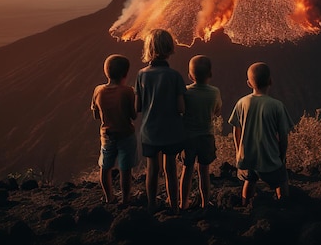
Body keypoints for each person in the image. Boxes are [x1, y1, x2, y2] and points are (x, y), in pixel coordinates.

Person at [228, 62, 295, 206]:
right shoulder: (277, 105)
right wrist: (282, 157)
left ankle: (245, 205)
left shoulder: (241, 103)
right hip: (269, 160)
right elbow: (283, 136)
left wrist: (239, 151)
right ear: (271, 81)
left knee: (249, 181)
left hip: (247, 159)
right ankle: (283, 206)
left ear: (248, 83)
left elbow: (236, 130)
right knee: (282, 181)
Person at [134, 29, 186, 213]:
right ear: (170, 48)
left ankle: (151, 205)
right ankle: (174, 207)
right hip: (171, 130)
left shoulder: (141, 75)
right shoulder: (175, 77)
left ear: (148, 48)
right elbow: (181, 108)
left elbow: (138, 106)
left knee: (152, 169)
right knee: (170, 169)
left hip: (150, 131)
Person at [91, 54, 137, 205]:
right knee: (125, 168)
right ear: (125, 74)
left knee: (105, 167)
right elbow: (133, 115)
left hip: (107, 136)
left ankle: (108, 197)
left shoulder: (98, 90)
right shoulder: (128, 91)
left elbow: (96, 115)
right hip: (126, 134)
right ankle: (125, 199)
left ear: (106, 72)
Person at [179, 55, 222, 210]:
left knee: (187, 170)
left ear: (190, 75)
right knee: (204, 171)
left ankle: (183, 203)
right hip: (206, 137)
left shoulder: (185, 92)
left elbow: (181, 110)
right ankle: (205, 203)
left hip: (188, 137)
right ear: (210, 74)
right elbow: (217, 111)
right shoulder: (214, 92)